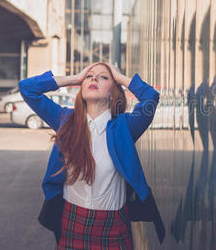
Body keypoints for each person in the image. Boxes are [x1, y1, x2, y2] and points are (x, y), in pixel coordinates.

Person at [18, 62, 165, 249]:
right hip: (72, 222)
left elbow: (150, 97)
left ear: (114, 92)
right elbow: (27, 88)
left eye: (104, 77)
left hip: (114, 227)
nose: (94, 78)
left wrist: (119, 77)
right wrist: (75, 78)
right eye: (89, 76)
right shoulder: (64, 119)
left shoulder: (125, 127)